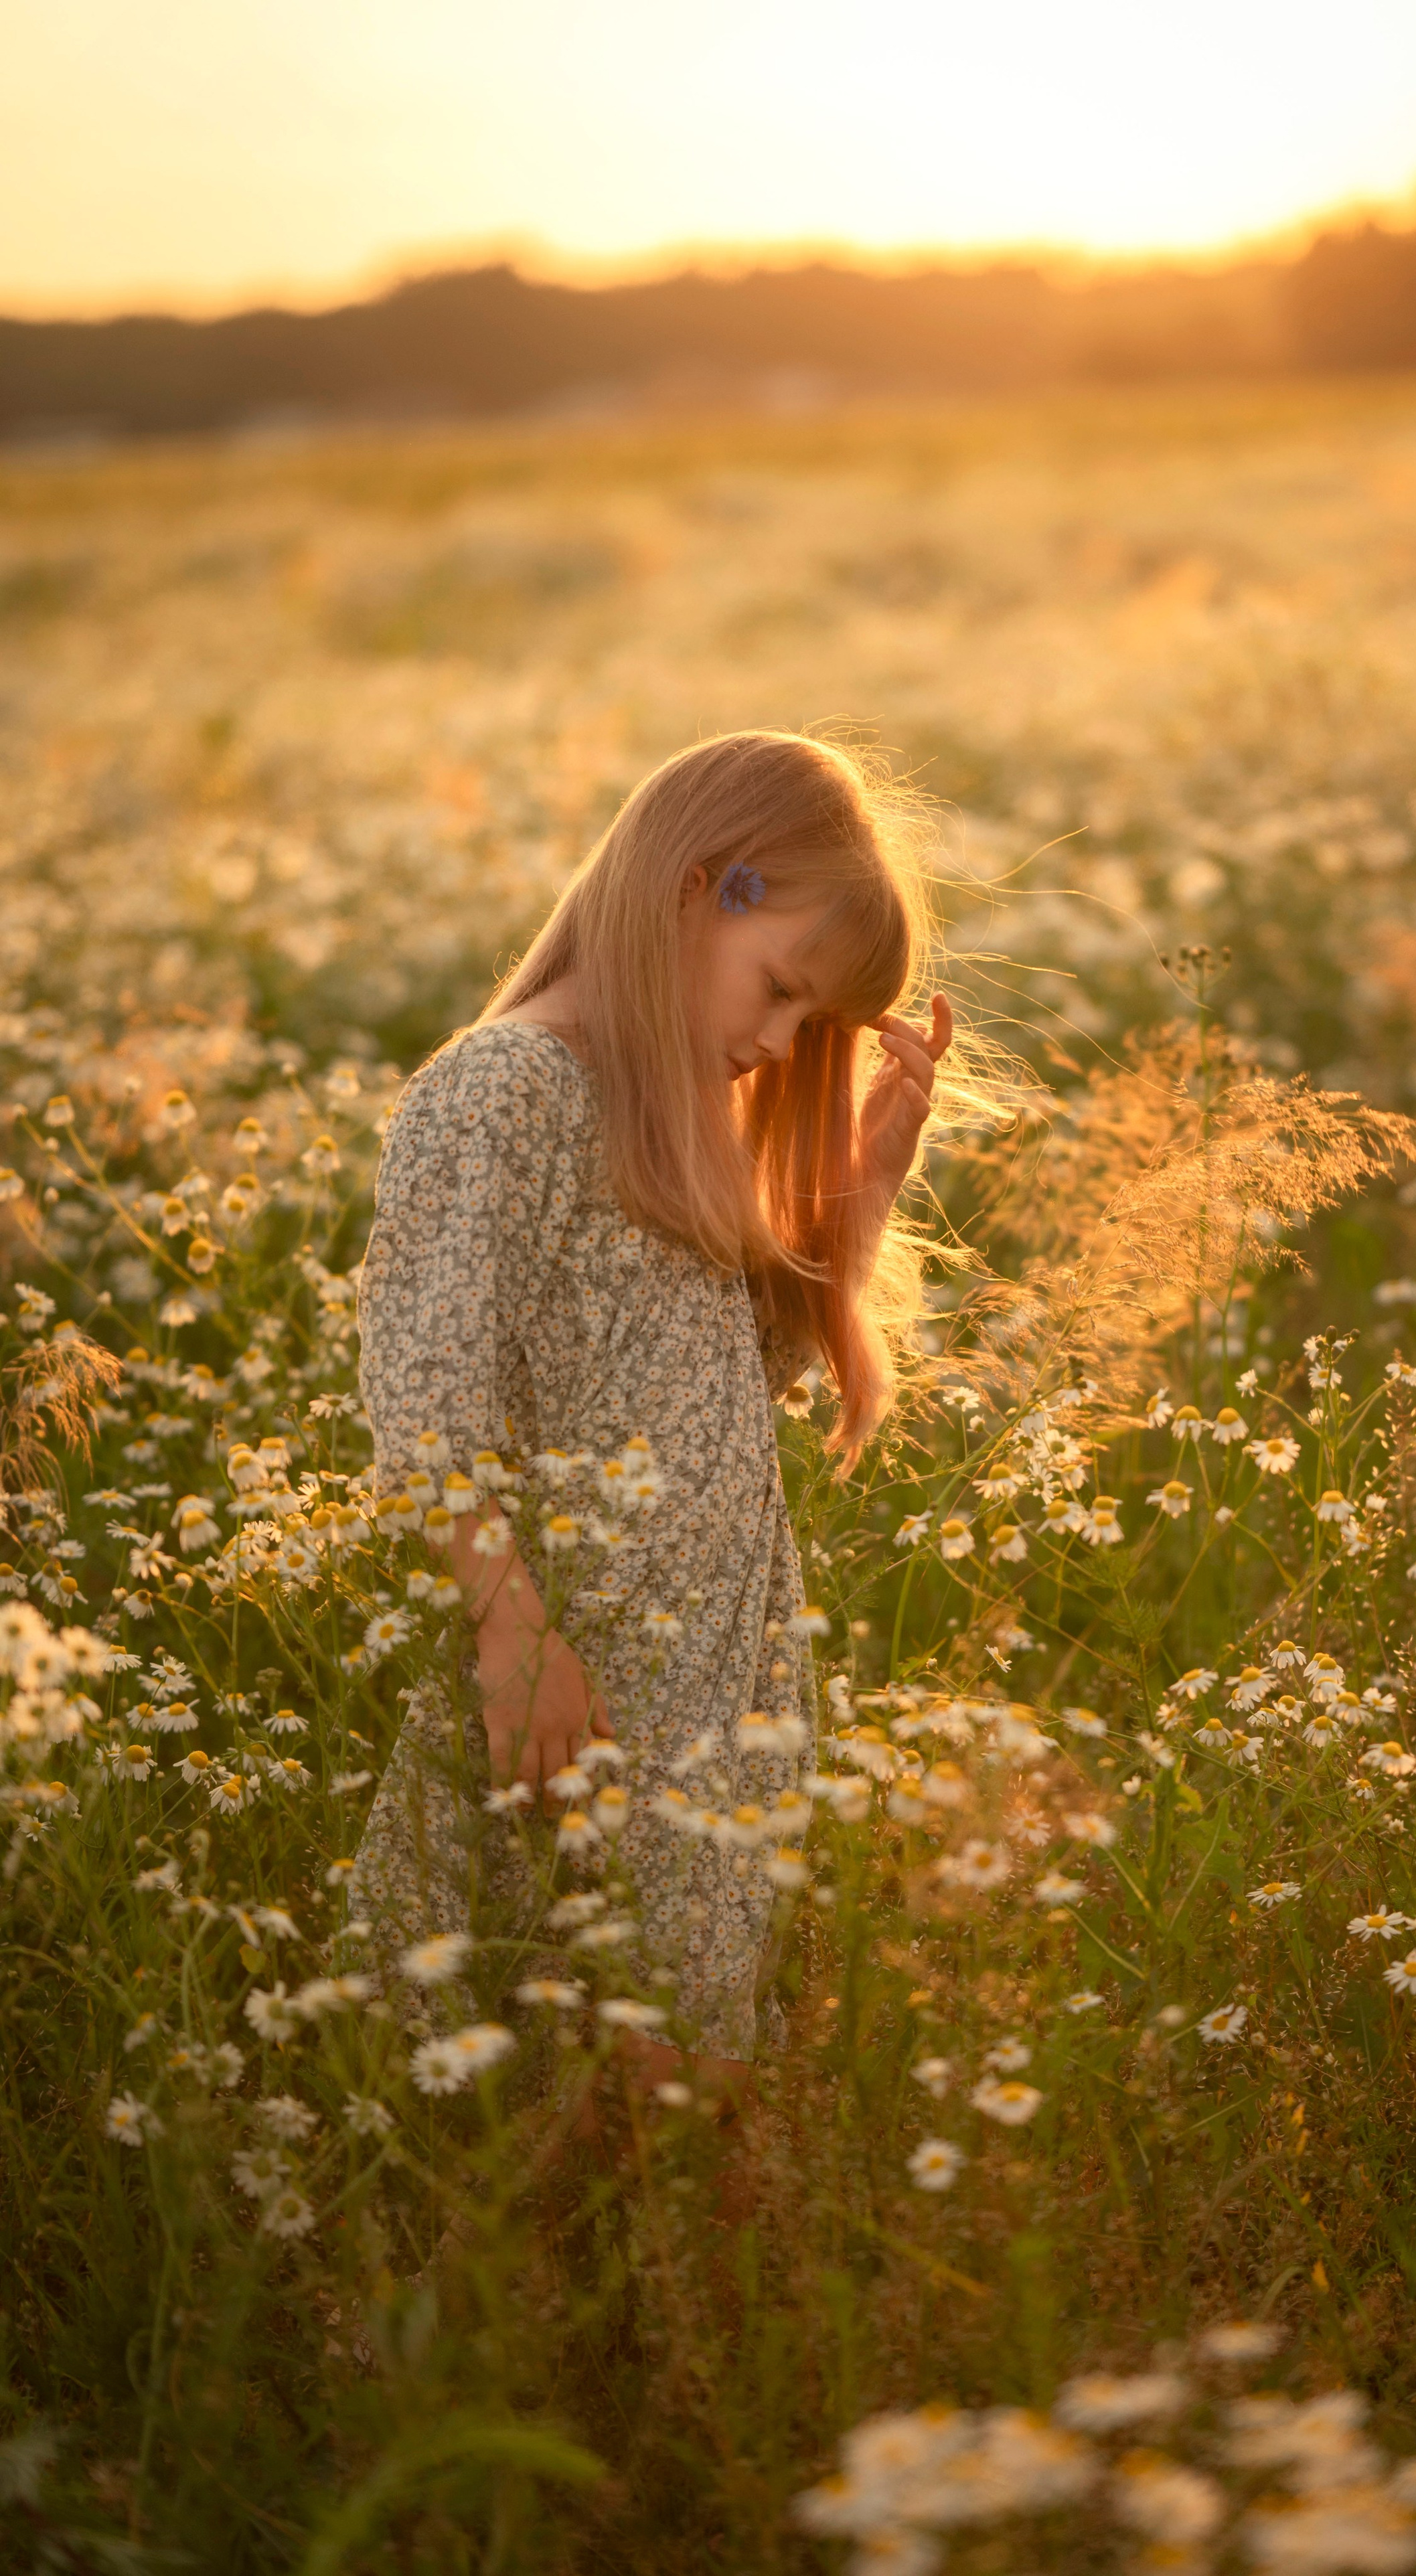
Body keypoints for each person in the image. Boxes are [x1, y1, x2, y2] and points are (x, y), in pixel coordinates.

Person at [349, 730, 966, 2115]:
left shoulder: (668, 1118)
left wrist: (859, 1192)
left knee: (660, 2118)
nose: (774, 1046)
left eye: (808, 1030)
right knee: (560, 2107)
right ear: (702, 891)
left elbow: (715, 1387)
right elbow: (421, 1392)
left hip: (707, 1702)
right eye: (780, 994)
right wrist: (510, 1628)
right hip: (580, 1686)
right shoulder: (504, 1089)